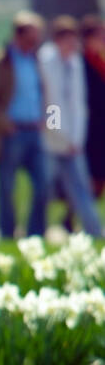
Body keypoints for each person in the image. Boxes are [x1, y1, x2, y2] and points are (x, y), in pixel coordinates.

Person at [0, 11, 48, 240]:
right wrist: (3, 124)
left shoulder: (35, 60)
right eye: (32, 35)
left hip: (34, 130)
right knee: (6, 187)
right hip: (11, 132)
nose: (36, 40)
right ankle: (7, 233)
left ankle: (36, 233)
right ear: (19, 34)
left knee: (44, 183)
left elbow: (43, 93)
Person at [39, 16, 102, 238]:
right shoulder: (47, 60)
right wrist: (59, 134)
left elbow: (77, 103)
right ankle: (36, 231)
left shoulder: (74, 62)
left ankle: (94, 231)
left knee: (81, 186)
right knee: (44, 188)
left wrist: (75, 138)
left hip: (72, 141)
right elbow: (52, 100)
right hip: (51, 137)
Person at [81, 15, 105, 200]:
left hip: (100, 127)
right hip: (86, 129)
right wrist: (54, 128)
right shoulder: (79, 63)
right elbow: (54, 102)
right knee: (91, 176)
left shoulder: (100, 61)